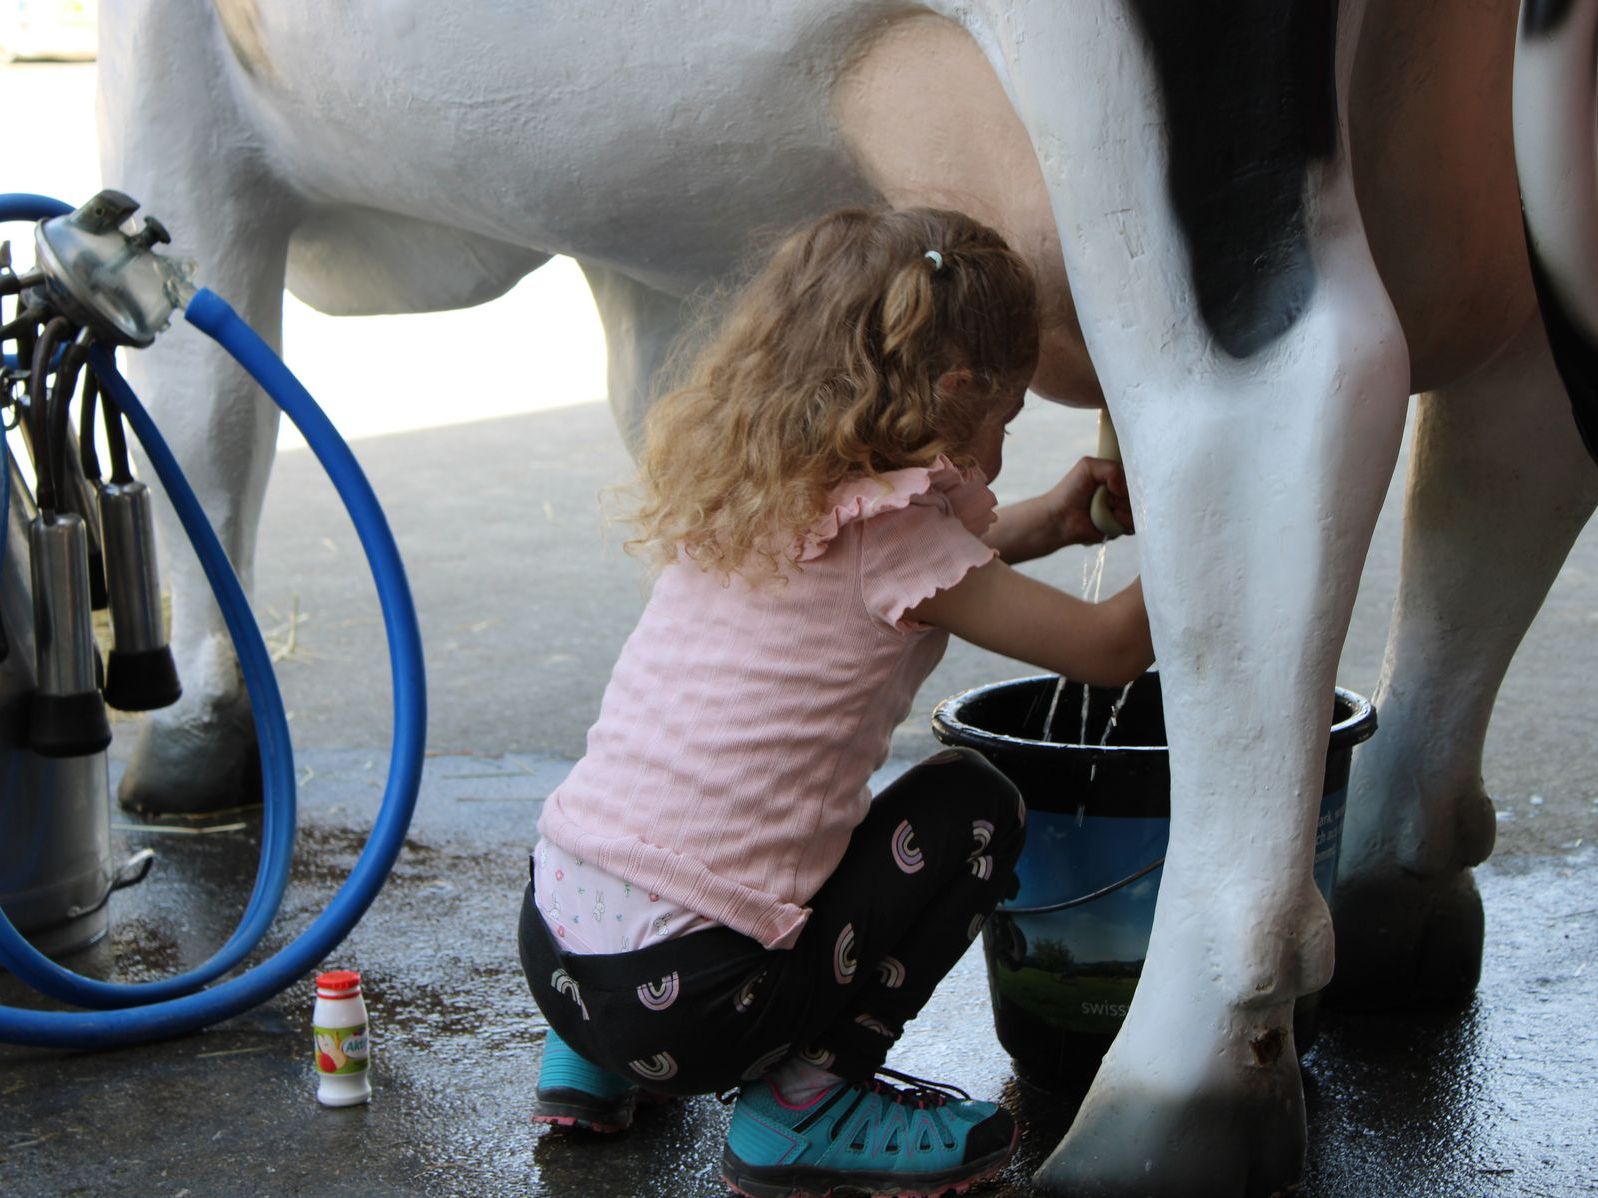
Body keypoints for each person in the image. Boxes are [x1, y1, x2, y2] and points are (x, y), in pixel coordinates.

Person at [517, 206, 1151, 1198]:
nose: (999, 442)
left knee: (682, 804)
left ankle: (591, 1067)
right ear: (954, 391)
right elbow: (1110, 652)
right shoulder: (900, 540)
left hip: (559, 948)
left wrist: (1046, 521)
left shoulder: (753, 494)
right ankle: (801, 1110)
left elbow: (932, 572)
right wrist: (1219, 520)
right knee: (972, 806)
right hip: (688, 1002)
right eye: (1005, 419)